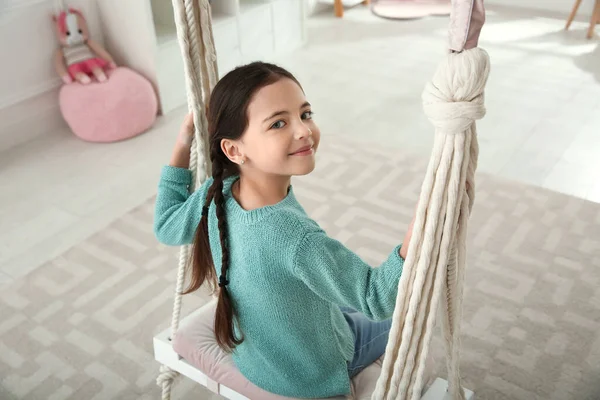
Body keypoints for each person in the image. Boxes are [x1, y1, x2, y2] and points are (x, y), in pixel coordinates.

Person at [154, 62, 416, 398]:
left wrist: (182, 141)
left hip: (255, 360)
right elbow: (378, 298)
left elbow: (165, 226)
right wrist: (419, 232)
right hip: (313, 374)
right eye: (279, 123)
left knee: (335, 294)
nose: (304, 130)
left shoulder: (216, 193)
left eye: (305, 114)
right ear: (234, 149)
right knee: (405, 312)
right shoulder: (296, 239)